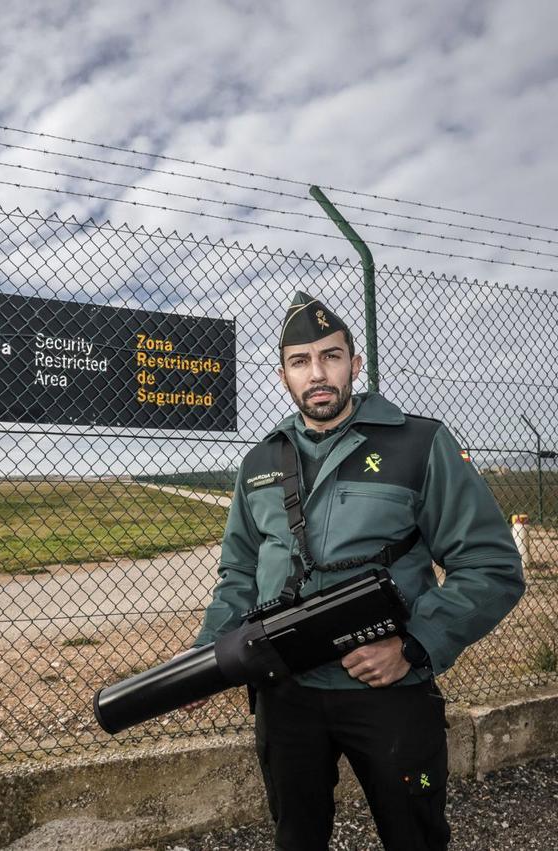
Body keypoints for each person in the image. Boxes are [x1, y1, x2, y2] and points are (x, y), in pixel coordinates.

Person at [193, 291, 524, 851]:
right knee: (296, 835)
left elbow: (490, 565)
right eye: (300, 362)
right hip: (285, 692)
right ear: (283, 375)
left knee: (414, 833)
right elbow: (240, 575)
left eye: (331, 356)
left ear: (355, 362)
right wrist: (208, 656)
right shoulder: (260, 463)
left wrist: (415, 645)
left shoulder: (419, 444)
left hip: (390, 689)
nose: (317, 374)